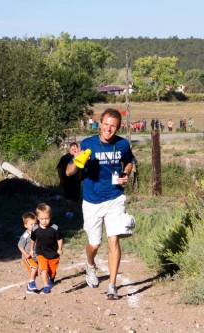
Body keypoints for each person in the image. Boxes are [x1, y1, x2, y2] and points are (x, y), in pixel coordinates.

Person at [66, 108, 135, 300]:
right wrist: (78, 162)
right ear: (100, 124)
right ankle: (90, 265)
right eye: (106, 124)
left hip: (115, 197)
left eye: (113, 126)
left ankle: (112, 286)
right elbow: (69, 172)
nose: (109, 129)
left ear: (118, 127)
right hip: (92, 200)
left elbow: (129, 162)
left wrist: (126, 173)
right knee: (94, 245)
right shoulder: (88, 144)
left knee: (114, 239)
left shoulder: (122, 144)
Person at [30, 203, 63, 295]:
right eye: (42, 219)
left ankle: (51, 278)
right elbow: (33, 239)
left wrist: (60, 248)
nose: (44, 221)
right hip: (41, 253)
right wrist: (32, 249)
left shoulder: (55, 228)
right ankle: (46, 286)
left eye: (47, 218)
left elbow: (59, 239)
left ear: (50, 217)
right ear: (37, 218)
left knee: (52, 272)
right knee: (43, 270)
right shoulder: (35, 228)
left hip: (53, 253)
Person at [57, 142, 82, 219]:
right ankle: (68, 213)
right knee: (69, 197)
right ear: (69, 148)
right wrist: (61, 179)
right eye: (72, 148)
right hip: (67, 180)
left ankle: (71, 212)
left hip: (77, 181)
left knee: (75, 198)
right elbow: (59, 169)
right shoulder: (65, 158)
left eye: (76, 148)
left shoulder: (79, 157)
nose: (74, 150)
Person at [18, 212, 39, 294]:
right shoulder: (26, 235)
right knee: (34, 267)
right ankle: (31, 283)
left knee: (34, 273)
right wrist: (26, 254)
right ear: (26, 225)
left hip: (35, 256)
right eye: (31, 224)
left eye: (35, 223)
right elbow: (20, 246)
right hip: (27, 257)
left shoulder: (37, 232)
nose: (34, 226)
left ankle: (30, 288)